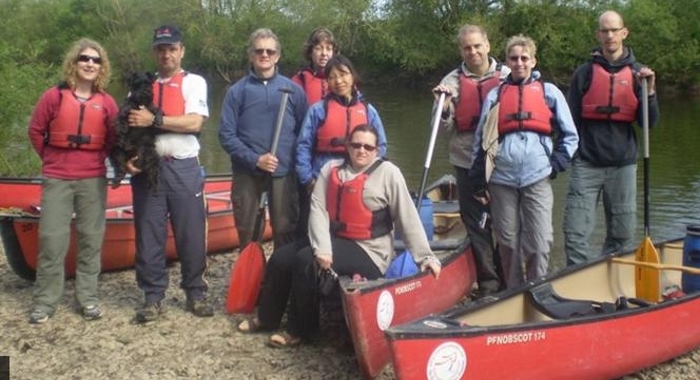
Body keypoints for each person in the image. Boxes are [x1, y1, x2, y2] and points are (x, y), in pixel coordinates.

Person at [236, 124, 441, 347]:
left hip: (369, 250)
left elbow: (407, 216)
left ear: (376, 150)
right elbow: (318, 210)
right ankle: (267, 318)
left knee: (305, 261)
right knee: (281, 258)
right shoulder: (331, 169)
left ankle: (299, 330)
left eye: (368, 146)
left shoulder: (388, 173)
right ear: (347, 146)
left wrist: (425, 257)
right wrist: (322, 248)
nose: (361, 150)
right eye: (356, 145)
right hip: (334, 240)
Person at [470, 34, 579, 288]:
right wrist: (478, 181)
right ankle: (514, 292)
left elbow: (571, 136)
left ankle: (537, 288)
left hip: (537, 176)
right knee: (507, 242)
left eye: (524, 58)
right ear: (507, 61)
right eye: (513, 58)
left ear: (533, 61)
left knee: (539, 243)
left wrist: (556, 164)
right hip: (501, 179)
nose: (519, 63)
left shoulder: (548, 92)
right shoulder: (495, 96)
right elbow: (480, 141)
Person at [27, 38, 118, 324]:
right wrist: (51, 160)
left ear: (101, 67)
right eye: (84, 59)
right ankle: (45, 302)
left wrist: (97, 160)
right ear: (74, 63)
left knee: (91, 241)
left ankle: (88, 300)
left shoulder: (106, 102)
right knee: (52, 241)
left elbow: (114, 140)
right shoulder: (53, 97)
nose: (90, 64)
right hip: (58, 178)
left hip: (92, 179)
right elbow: (35, 130)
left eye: (96, 60)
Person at [126, 25, 213, 322]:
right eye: (161, 49)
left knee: (190, 232)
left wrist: (156, 118)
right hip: (148, 169)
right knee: (149, 233)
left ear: (181, 51)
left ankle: (195, 292)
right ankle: (152, 297)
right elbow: (130, 125)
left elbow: (194, 124)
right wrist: (127, 158)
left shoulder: (194, 82)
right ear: (154, 52)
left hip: (183, 166)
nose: (167, 54)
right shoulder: (140, 85)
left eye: (172, 48)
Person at [564, 10, 659, 266]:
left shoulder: (640, 74)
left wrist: (649, 93)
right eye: (604, 31)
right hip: (586, 163)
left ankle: (609, 279)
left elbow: (648, 123)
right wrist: (568, 155)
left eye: (614, 30)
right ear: (598, 35)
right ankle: (578, 279)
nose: (609, 36)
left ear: (624, 33)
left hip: (623, 164)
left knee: (622, 233)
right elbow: (569, 121)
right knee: (575, 232)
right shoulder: (584, 74)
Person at [431, 24, 509, 298]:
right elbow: (440, 129)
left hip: (502, 163)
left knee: (507, 222)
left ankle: (508, 278)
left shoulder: (508, 75)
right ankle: (488, 284)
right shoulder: (450, 82)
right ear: (461, 50)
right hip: (466, 161)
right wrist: (444, 106)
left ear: (487, 45)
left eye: (477, 46)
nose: (473, 51)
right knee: (476, 224)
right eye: (467, 47)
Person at [219, 28, 307, 250]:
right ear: (251, 54)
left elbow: (304, 133)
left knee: (286, 231)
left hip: (284, 173)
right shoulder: (237, 92)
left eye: (270, 51)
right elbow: (226, 135)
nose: (264, 55)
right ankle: (254, 280)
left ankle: (281, 281)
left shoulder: (294, 91)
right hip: (247, 172)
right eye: (259, 50)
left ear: (277, 55)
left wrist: (295, 165)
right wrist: (255, 159)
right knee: (249, 233)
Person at [296, 54, 388, 239]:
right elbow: (303, 147)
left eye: (343, 74)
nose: (338, 81)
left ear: (352, 76)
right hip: (322, 176)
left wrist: (370, 176)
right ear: (327, 82)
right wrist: (307, 180)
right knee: (318, 227)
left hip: (357, 177)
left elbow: (381, 147)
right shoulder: (318, 110)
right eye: (332, 77)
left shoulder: (368, 110)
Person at [292, 27, 337, 106]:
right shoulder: (298, 81)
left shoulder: (342, 80)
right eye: (318, 48)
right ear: (310, 52)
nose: (324, 53)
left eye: (329, 49)